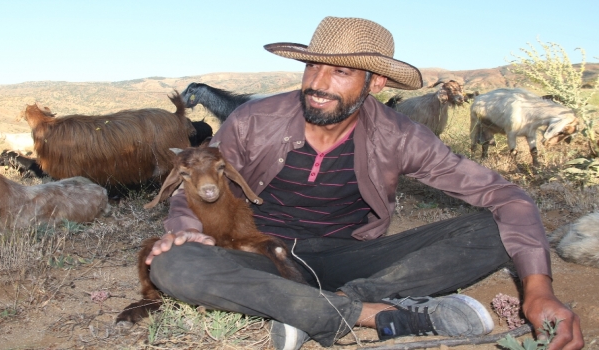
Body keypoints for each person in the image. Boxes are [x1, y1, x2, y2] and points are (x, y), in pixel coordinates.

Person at [145, 17, 583, 350]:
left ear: (375, 83)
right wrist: (186, 227)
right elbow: (197, 174)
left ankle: (327, 303)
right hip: (261, 250)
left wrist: (539, 291)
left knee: (495, 231)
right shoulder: (254, 120)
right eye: (313, 66)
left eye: (340, 73)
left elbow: (506, 196)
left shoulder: (400, 134)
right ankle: (373, 314)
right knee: (173, 264)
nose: (317, 83)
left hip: (355, 257)